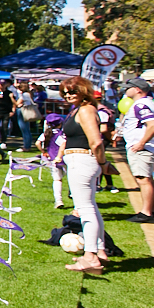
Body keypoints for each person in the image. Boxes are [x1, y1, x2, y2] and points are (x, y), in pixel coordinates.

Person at [56, 76, 110, 274]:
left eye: (73, 91)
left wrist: (104, 164)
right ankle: (99, 251)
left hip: (82, 161)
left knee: (85, 210)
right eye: (65, 92)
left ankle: (91, 257)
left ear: (84, 90)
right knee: (90, 208)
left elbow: (96, 141)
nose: (68, 95)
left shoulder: (86, 110)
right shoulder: (79, 110)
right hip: (79, 161)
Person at [115, 77, 154, 223]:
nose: (125, 90)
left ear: (137, 89)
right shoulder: (146, 103)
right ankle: (152, 210)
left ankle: (146, 213)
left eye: (128, 87)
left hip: (142, 148)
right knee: (147, 179)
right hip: (145, 146)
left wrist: (141, 143)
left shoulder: (141, 105)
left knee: (143, 179)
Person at [37, 112, 68, 209]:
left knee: (57, 180)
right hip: (65, 159)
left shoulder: (46, 134)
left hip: (52, 159)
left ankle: (58, 200)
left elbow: (38, 143)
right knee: (71, 178)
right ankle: (73, 196)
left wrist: (43, 151)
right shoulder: (62, 134)